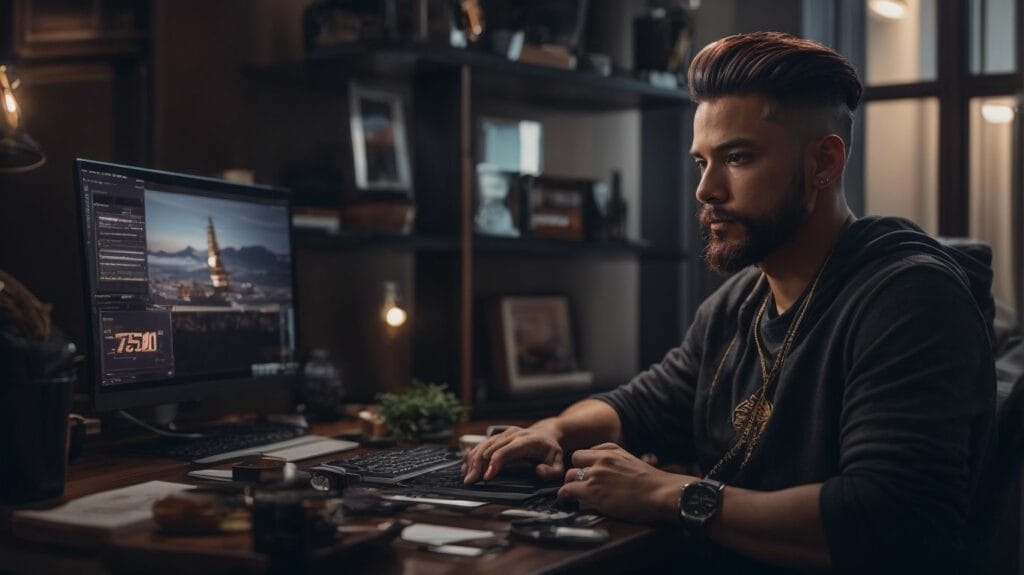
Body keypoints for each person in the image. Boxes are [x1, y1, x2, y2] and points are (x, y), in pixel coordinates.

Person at [463, 32, 996, 572]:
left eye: (738, 157)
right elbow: (644, 405)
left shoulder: (911, 302)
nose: (706, 190)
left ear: (825, 161)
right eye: (702, 162)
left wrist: (665, 494)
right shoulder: (740, 301)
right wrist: (553, 431)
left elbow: (886, 521)